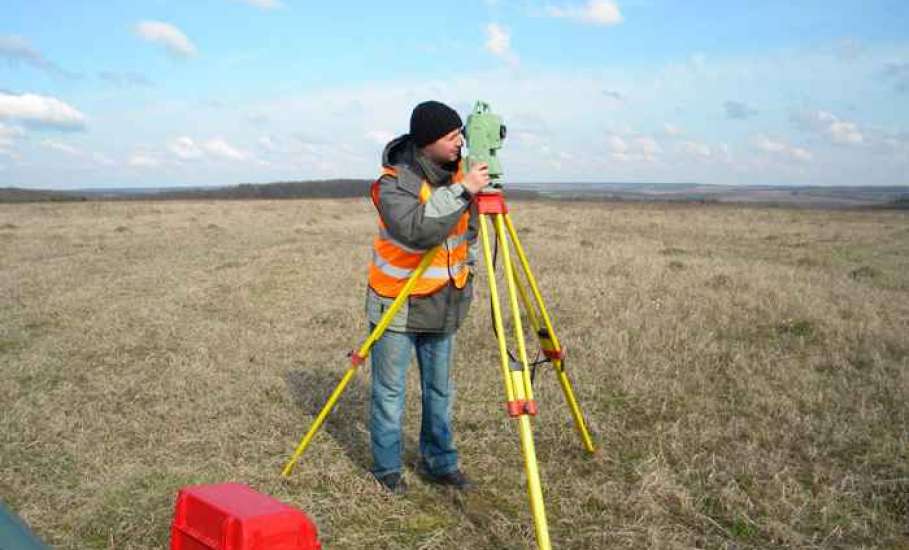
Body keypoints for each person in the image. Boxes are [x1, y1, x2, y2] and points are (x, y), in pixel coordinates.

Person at [365, 100, 491, 494]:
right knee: (390, 394)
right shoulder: (393, 183)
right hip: (398, 304)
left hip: (443, 302)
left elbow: (467, 232)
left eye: (460, 134)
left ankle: (440, 462)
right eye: (452, 136)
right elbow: (416, 231)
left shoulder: (463, 175)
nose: (460, 143)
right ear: (427, 141)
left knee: (440, 391)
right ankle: (387, 470)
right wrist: (463, 191)